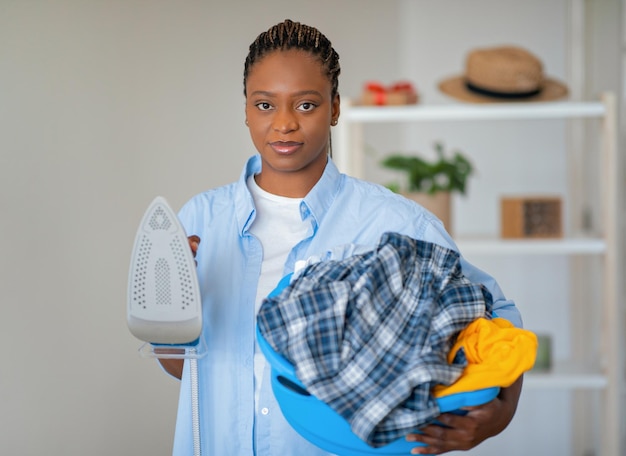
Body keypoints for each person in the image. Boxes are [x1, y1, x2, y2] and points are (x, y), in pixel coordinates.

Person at [158, 19, 523, 456]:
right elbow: (190, 368)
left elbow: (497, 319)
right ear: (246, 109)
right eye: (265, 105)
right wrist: (171, 309)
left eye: (306, 105)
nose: (285, 124)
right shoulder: (199, 220)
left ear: (334, 108)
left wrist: (499, 415)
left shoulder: (396, 224)